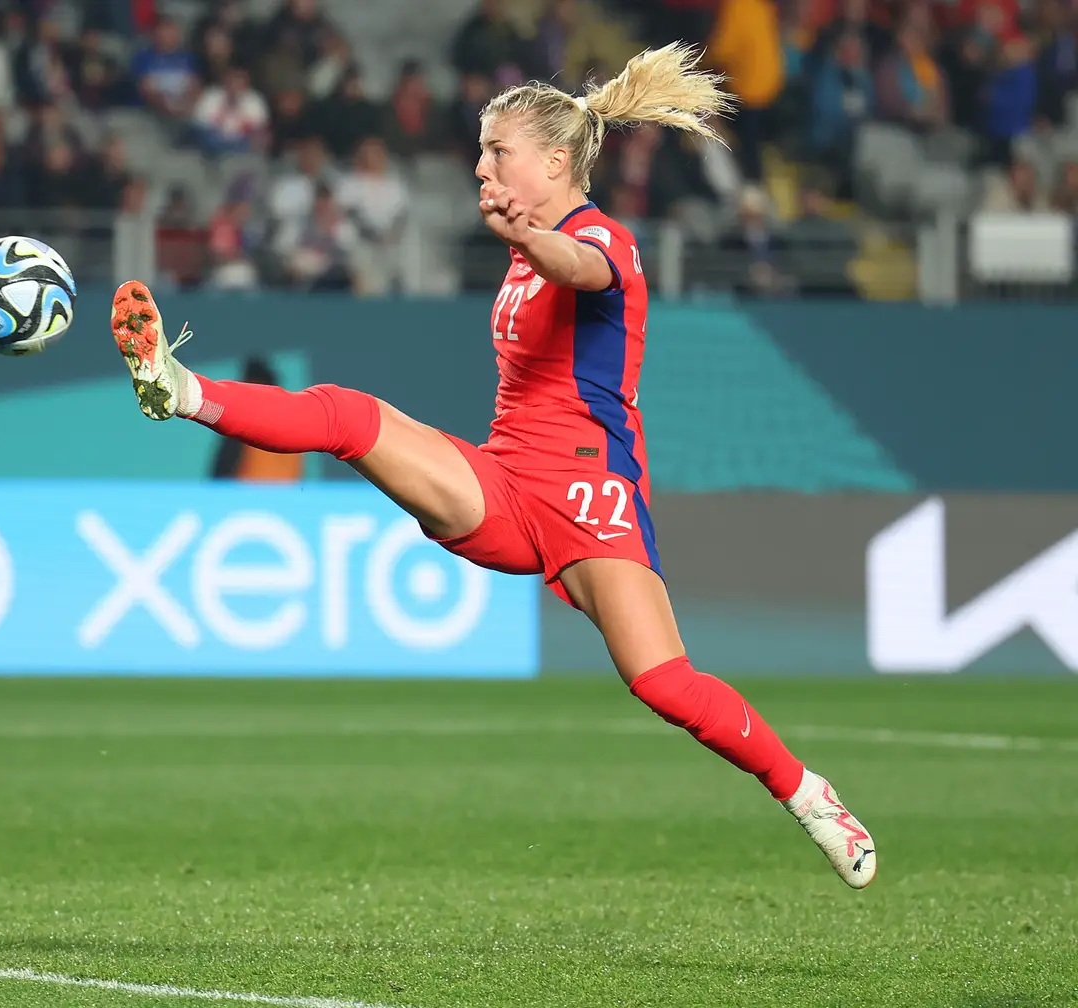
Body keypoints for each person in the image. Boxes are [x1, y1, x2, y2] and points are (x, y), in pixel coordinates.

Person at [102, 44, 879, 890]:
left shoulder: (599, 239)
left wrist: (535, 238)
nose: (479, 165)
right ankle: (181, 390)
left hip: (593, 498)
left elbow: (583, 270)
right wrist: (526, 238)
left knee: (663, 681)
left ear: (553, 163)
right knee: (346, 415)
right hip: (501, 486)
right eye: (480, 150)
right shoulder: (523, 245)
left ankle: (805, 791)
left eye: (495, 150)